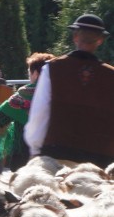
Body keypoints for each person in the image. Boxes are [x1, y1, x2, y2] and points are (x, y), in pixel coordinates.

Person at [25, 14, 114, 168]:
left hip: (58, 155)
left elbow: (40, 111)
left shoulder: (52, 68)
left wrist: (35, 148)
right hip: (99, 161)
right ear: (100, 41)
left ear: (75, 37)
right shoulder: (110, 75)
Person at [0, 52, 55, 171]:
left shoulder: (25, 93)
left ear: (35, 73)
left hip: (24, 154)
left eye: (30, 72)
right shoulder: (62, 94)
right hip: (55, 154)